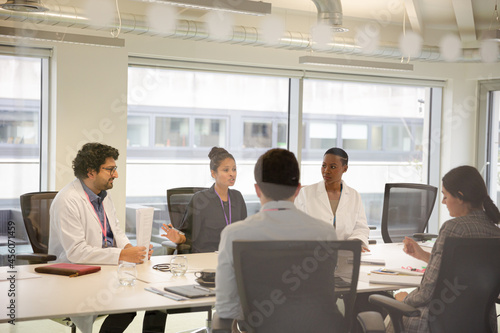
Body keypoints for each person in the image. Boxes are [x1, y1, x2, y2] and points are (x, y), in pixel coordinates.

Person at [215, 148, 338, 330]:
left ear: (257, 190)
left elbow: (226, 310)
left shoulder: (234, 235)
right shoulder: (326, 233)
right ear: (298, 189)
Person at [49, 142, 166, 333]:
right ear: (91, 172)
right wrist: (122, 255)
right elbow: (76, 252)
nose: (116, 175)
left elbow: (116, 231)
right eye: (110, 169)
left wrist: (130, 249)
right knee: (127, 301)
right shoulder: (67, 200)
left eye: (115, 169)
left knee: (151, 294)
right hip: (75, 273)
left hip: (105, 269)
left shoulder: (103, 195)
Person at [391, 165, 500, 333]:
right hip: (480, 325)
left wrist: (403, 299)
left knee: (387, 311)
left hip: (434, 323)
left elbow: (426, 293)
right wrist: (423, 255)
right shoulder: (495, 232)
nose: (443, 202)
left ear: (460, 197)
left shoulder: (453, 228)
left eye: (445, 195)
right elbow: (464, 271)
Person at [162, 147, 247, 253]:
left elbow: (244, 232)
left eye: (234, 169)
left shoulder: (237, 197)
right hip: (205, 256)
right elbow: (189, 236)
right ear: (213, 173)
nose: (232, 174)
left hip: (232, 256)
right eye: (226, 170)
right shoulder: (200, 200)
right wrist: (179, 239)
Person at [294, 147, 370, 250]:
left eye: (333, 167)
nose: (326, 171)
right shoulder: (305, 194)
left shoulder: (354, 196)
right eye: (324, 165)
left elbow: (361, 228)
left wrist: (354, 244)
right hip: (312, 254)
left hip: (346, 254)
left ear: (345, 169)